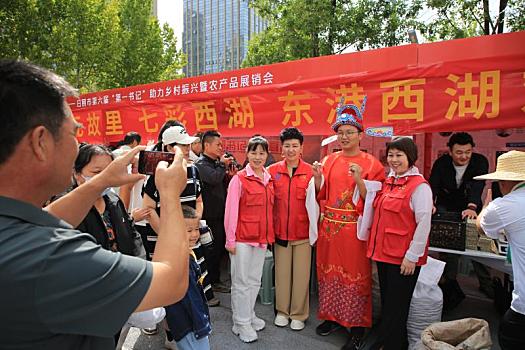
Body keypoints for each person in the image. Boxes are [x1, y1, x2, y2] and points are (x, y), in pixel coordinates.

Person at [0, 59, 189, 349]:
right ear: (41, 142)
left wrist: (100, 182)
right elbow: (172, 280)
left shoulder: (15, 230)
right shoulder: (52, 259)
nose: (78, 144)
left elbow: (49, 217)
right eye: (74, 133)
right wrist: (171, 194)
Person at [312, 97, 385, 350]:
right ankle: (332, 318)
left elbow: (375, 201)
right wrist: (319, 179)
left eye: (349, 133)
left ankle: (357, 327)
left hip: (354, 232)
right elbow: (322, 194)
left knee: (355, 278)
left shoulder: (372, 164)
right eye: (341, 133)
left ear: (360, 135)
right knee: (328, 273)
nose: (344, 137)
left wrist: (360, 181)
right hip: (330, 230)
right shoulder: (329, 160)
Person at [359, 137, 433, 350]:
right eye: (391, 155)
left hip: (403, 258)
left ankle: (390, 344)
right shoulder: (389, 181)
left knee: (398, 307)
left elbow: (423, 223)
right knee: (389, 304)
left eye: (399, 155)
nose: (394, 160)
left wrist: (412, 256)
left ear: (410, 157)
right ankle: (391, 342)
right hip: (384, 254)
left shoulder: (419, 186)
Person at [429, 132, 492, 308]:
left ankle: (487, 284)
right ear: (450, 151)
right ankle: (449, 283)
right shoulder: (441, 163)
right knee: (448, 243)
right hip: (446, 205)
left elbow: (478, 185)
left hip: (470, 206)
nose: (464, 156)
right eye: (459, 152)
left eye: (467, 152)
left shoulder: (480, 161)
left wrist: (472, 207)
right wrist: (430, 203)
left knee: (478, 244)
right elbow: (433, 184)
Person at [224, 136, 275, 343]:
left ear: (266, 155)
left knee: (254, 281)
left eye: (262, 153)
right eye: (254, 152)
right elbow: (231, 211)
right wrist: (230, 240)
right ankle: (241, 322)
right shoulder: (239, 179)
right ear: (247, 153)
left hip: (261, 238)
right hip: (242, 239)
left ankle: (248, 315)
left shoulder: (268, 177)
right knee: (241, 282)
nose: (258, 157)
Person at [476, 150, 525, 350]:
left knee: (509, 338)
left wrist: (486, 206)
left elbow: (481, 227)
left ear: (503, 182)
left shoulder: (506, 205)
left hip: (523, 308)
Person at [268, 127, 314, 331]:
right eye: (287, 146)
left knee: (302, 276)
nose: (291, 150)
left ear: (301, 148)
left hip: (303, 233)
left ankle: (298, 314)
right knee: (282, 275)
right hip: (280, 233)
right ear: (281, 148)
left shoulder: (311, 172)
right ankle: (282, 311)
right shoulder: (272, 171)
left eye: (295, 146)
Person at [72, 144, 147, 258]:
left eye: (108, 171)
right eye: (97, 172)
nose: (105, 177)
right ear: (77, 174)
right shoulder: (69, 208)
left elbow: (132, 236)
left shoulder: (114, 200)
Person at [165, 205, 212, 350]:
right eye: (189, 230)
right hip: (190, 325)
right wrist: (201, 325)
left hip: (186, 322)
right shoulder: (181, 261)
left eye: (196, 229)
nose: (195, 235)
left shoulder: (184, 253)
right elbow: (191, 298)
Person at [195, 130, 234, 293]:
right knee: (210, 251)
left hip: (219, 215)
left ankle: (215, 280)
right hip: (208, 217)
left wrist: (228, 173)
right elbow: (213, 178)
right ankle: (210, 284)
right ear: (207, 145)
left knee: (218, 249)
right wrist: (223, 165)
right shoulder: (200, 164)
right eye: (218, 145)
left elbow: (220, 181)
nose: (221, 148)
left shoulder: (215, 163)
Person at [112, 131, 142, 210]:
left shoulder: (112, 154)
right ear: (135, 142)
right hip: (129, 203)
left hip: (112, 199)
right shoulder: (137, 156)